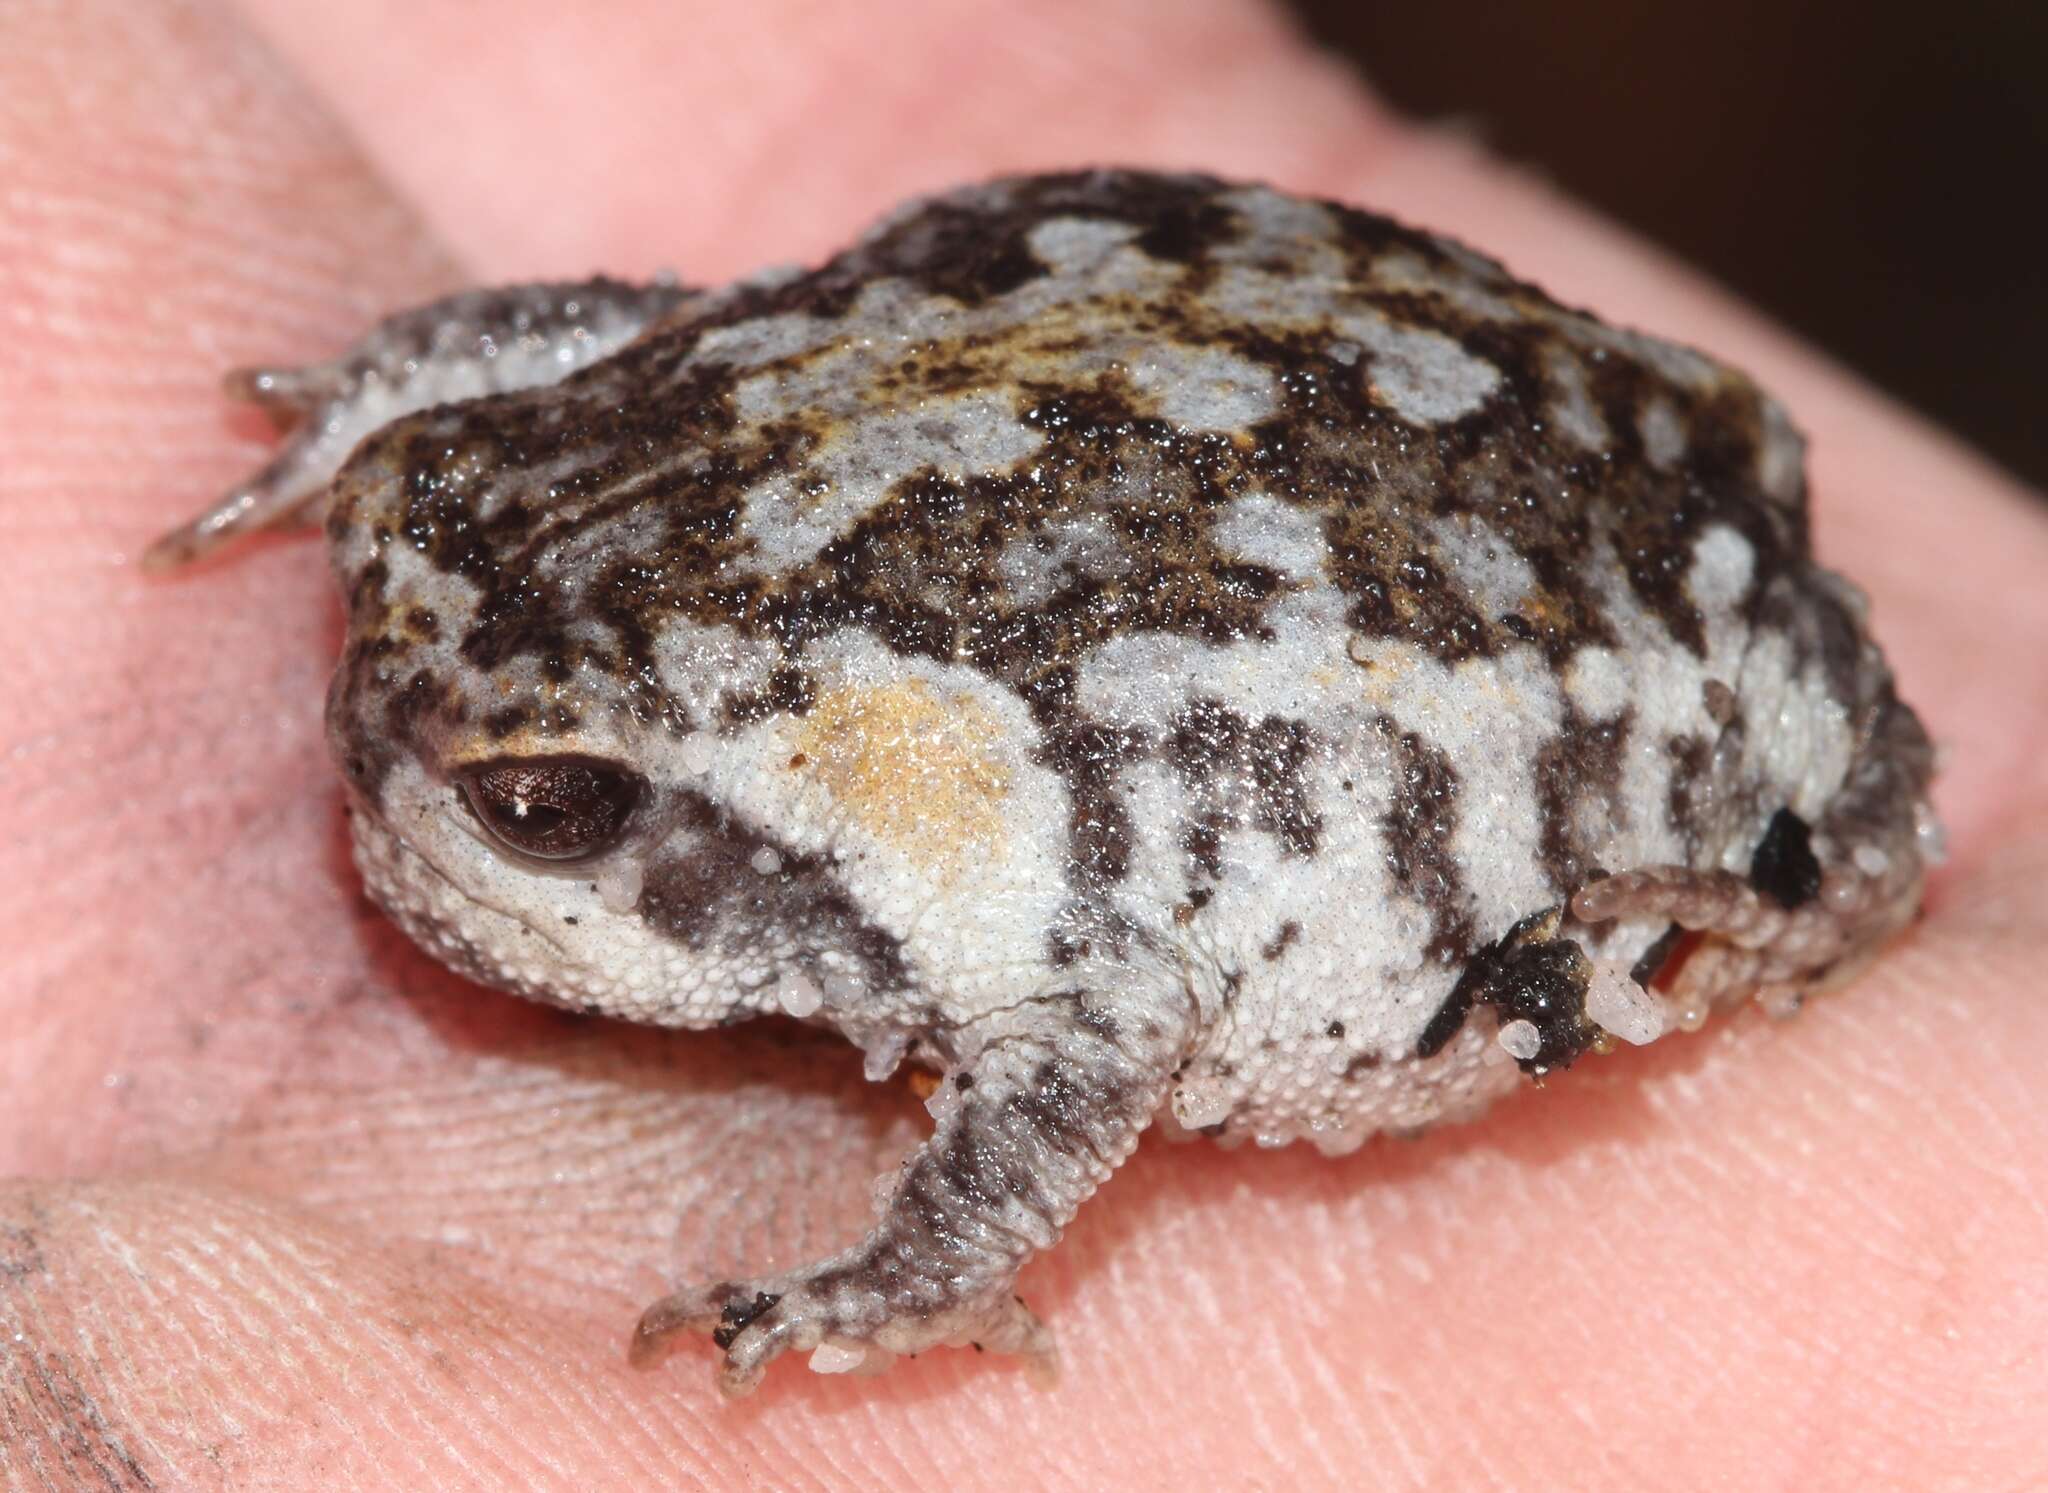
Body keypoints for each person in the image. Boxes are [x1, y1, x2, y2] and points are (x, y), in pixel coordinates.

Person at [4, 0, 2044, 1485]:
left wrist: (925, 1260)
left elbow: (1107, 1003)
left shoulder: (937, 797)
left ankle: (1836, 856)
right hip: (1274, 381)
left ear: (718, 819)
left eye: (543, 804)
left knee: (1741, 840)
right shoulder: (679, 510)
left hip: (1618, 627)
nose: (372, 753)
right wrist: (389, 416)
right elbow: (632, 334)